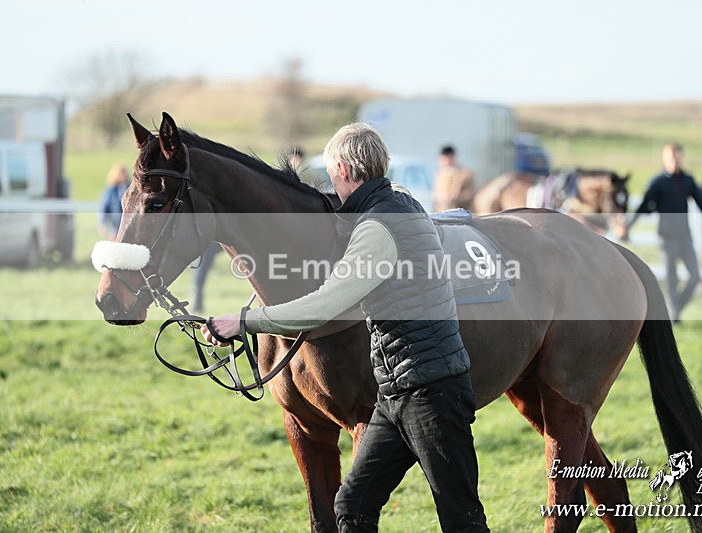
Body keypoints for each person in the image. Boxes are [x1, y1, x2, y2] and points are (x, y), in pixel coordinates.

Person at [202, 123, 489, 532]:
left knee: (462, 521)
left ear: (341, 168)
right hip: (396, 393)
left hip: (432, 395)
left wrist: (245, 321)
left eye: (332, 175)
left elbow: (323, 306)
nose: (330, 183)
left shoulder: (377, 229)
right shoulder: (398, 204)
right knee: (351, 506)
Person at [619, 143, 702, 322]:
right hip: (666, 238)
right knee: (672, 279)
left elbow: (701, 203)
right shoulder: (658, 183)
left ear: (682, 158)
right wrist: (628, 225)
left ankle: (676, 309)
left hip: (685, 237)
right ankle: (675, 317)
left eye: (677, 157)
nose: (674, 161)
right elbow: (644, 207)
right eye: (671, 158)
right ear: (665, 159)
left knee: (695, 277)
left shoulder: (688, 181)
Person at [433, 145, 475, 212]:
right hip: (441, 213)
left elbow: (470, 194)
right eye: (443, 159)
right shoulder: (440, 174)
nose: (446, 161)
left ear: (453, 157)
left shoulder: (465, 174)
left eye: (448, 158)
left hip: (460, 213)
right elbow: (435, 193)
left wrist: (455, 198)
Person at [99, 164, 130, 239]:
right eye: (121, 173)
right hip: (115, 223)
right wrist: (102, 223)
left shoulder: (128, 187)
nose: (123, 176)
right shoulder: (111, 189)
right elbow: (104, 206)